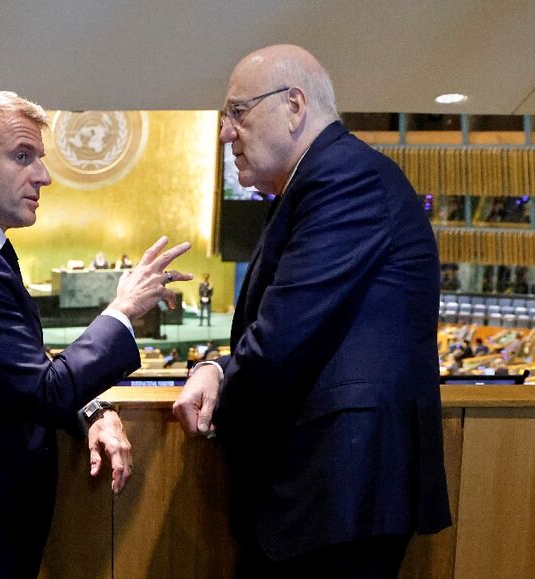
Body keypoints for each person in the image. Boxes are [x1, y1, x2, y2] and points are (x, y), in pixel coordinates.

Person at [0, 90, 191, 579]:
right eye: (22, 157)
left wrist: (92, 410)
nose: (43, 176)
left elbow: (14, 369)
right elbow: (42, 392)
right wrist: (124, 308)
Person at [173, 45, 451, 577]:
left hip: (338, 495)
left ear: (294, 105)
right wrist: (213, 367)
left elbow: (282, 339)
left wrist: (216, 393)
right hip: (327, 496)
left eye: (237, 112)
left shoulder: (345, 178)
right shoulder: (321, 181)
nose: (226, 133)